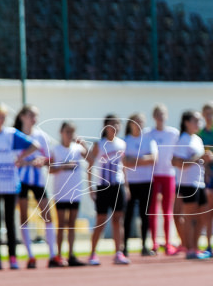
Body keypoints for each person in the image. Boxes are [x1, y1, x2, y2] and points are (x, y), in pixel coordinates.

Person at [0, 105, 40, 270]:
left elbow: (34, 145)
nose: (1, 120)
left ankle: (12, 257)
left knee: (9, 221)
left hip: (9, 183)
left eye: (3, 117)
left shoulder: (11, 134)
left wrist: (20, 157)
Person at [15, 105, 55, 269]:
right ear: (23, 116)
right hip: (20, 180)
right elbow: (15, 159)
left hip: (38, 179)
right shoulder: (15, 135)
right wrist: (29, 161)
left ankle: (53, 254)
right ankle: (30, 255)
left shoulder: (41, 135)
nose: (34, 119)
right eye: (31, 115)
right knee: (23, 215)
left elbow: (49, 158)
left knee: (47, 214)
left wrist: (43, 161)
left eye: (36, 116)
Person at [85, 114, 128, 266]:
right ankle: (92, 253)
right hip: (103, 186)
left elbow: (124, 167)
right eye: (112, 124)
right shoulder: (99, 145)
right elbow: (90, 166)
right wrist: (91, 187)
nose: (115, 127)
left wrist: (126, 186)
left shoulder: (122, 144)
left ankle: (118, 252)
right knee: (100, 220)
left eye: (117, 124)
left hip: (118, 185)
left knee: (117, 219)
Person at [48, 121, 87, 267]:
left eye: (72, 132)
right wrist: (63, 166)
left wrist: (83, 145)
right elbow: (50, 169)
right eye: (67, 132)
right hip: (61, 192)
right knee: (61, 224)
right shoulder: (56, 149)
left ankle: (71, 254)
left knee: (72, 224)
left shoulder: (77, 149)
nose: (69, 135)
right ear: (61, 132)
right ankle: (58, 254)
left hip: (75, 191)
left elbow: (91, 159)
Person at [173, 110, 210, 259]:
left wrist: (206, 161)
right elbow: (178, 163)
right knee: (190, 217)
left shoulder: (197, 139)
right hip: (187, 182)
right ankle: (189, 248)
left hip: (199, 182)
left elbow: (199, 161)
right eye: (195, 120)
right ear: (186, 122)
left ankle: (195, 247)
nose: (198, 123)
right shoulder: (183, 139)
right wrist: (199, 157)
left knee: (202, 217)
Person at [147, 104, 180, 255]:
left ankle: (168, 242)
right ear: (154, 117)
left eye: (163, 114)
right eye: (158, 114)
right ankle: (154, 241)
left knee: (167, 210)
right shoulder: (148, 133)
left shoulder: (173, 133)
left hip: (168, 174)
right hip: (153, 176)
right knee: (153, 210)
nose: (161, 117)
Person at [123, 113, 157, 257]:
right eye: (136, 122)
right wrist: (142, 159)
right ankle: (124, 246)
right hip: (130, 183)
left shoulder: (149, 140)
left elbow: (154, 159)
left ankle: (144, 245)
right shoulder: (126, 141)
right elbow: (124, 161)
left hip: (146, 182)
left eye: (141, 122)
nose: (139, 125)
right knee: (128, 215)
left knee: (145, 215)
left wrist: (134, 159)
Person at [198, 101, 213, 256]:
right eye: (206, 113)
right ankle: (208, 244)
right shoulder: (201, 134)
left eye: (211, 113)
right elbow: (201, 155)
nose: (209, 116)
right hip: (208, 175)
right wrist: (206, 169)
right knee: (209, 211)